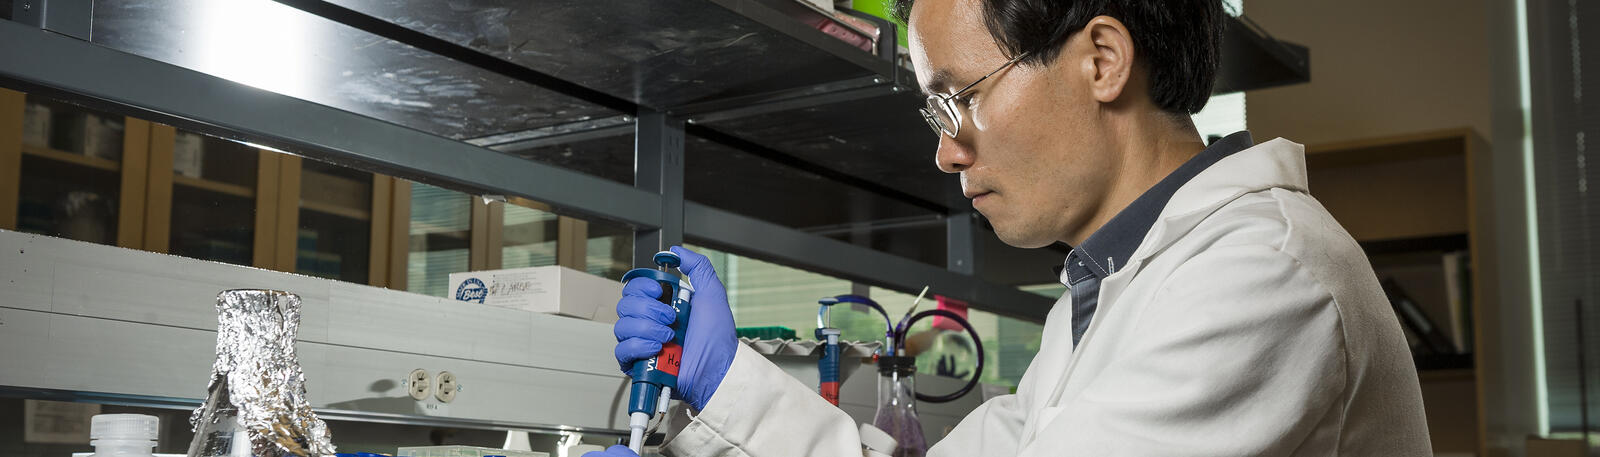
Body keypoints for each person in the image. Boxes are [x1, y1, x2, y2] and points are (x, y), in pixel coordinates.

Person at [590, 0, 1433, 455]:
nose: (946, 152)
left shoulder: (1261, 275)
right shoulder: (1104, 294)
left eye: (958, 99)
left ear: (1102, 59)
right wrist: (722, 381)